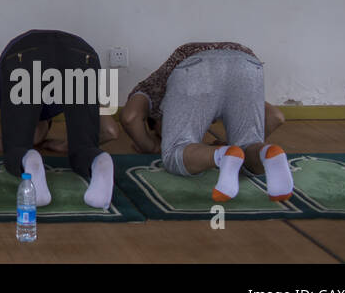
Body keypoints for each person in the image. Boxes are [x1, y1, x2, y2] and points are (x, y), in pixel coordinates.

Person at [0, 30, 119, 210]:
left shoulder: (2, 84)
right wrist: (70, 145)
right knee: (85, 150)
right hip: (81, 55)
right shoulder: (59, 97)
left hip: (26, 53)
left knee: (17, 151)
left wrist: (7, 146)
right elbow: (110, 130)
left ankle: (28, 160)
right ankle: (98, 160)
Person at [117, 42, 292, 203]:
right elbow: (276, 117)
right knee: (249, 145)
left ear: (156, 121)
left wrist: (151, 146)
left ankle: (223, 155)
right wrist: (236, 146)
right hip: (247, 63)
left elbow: (130, 117)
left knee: (174, 154)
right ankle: (268, 153)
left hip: (196, 67)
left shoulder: (151, 90)